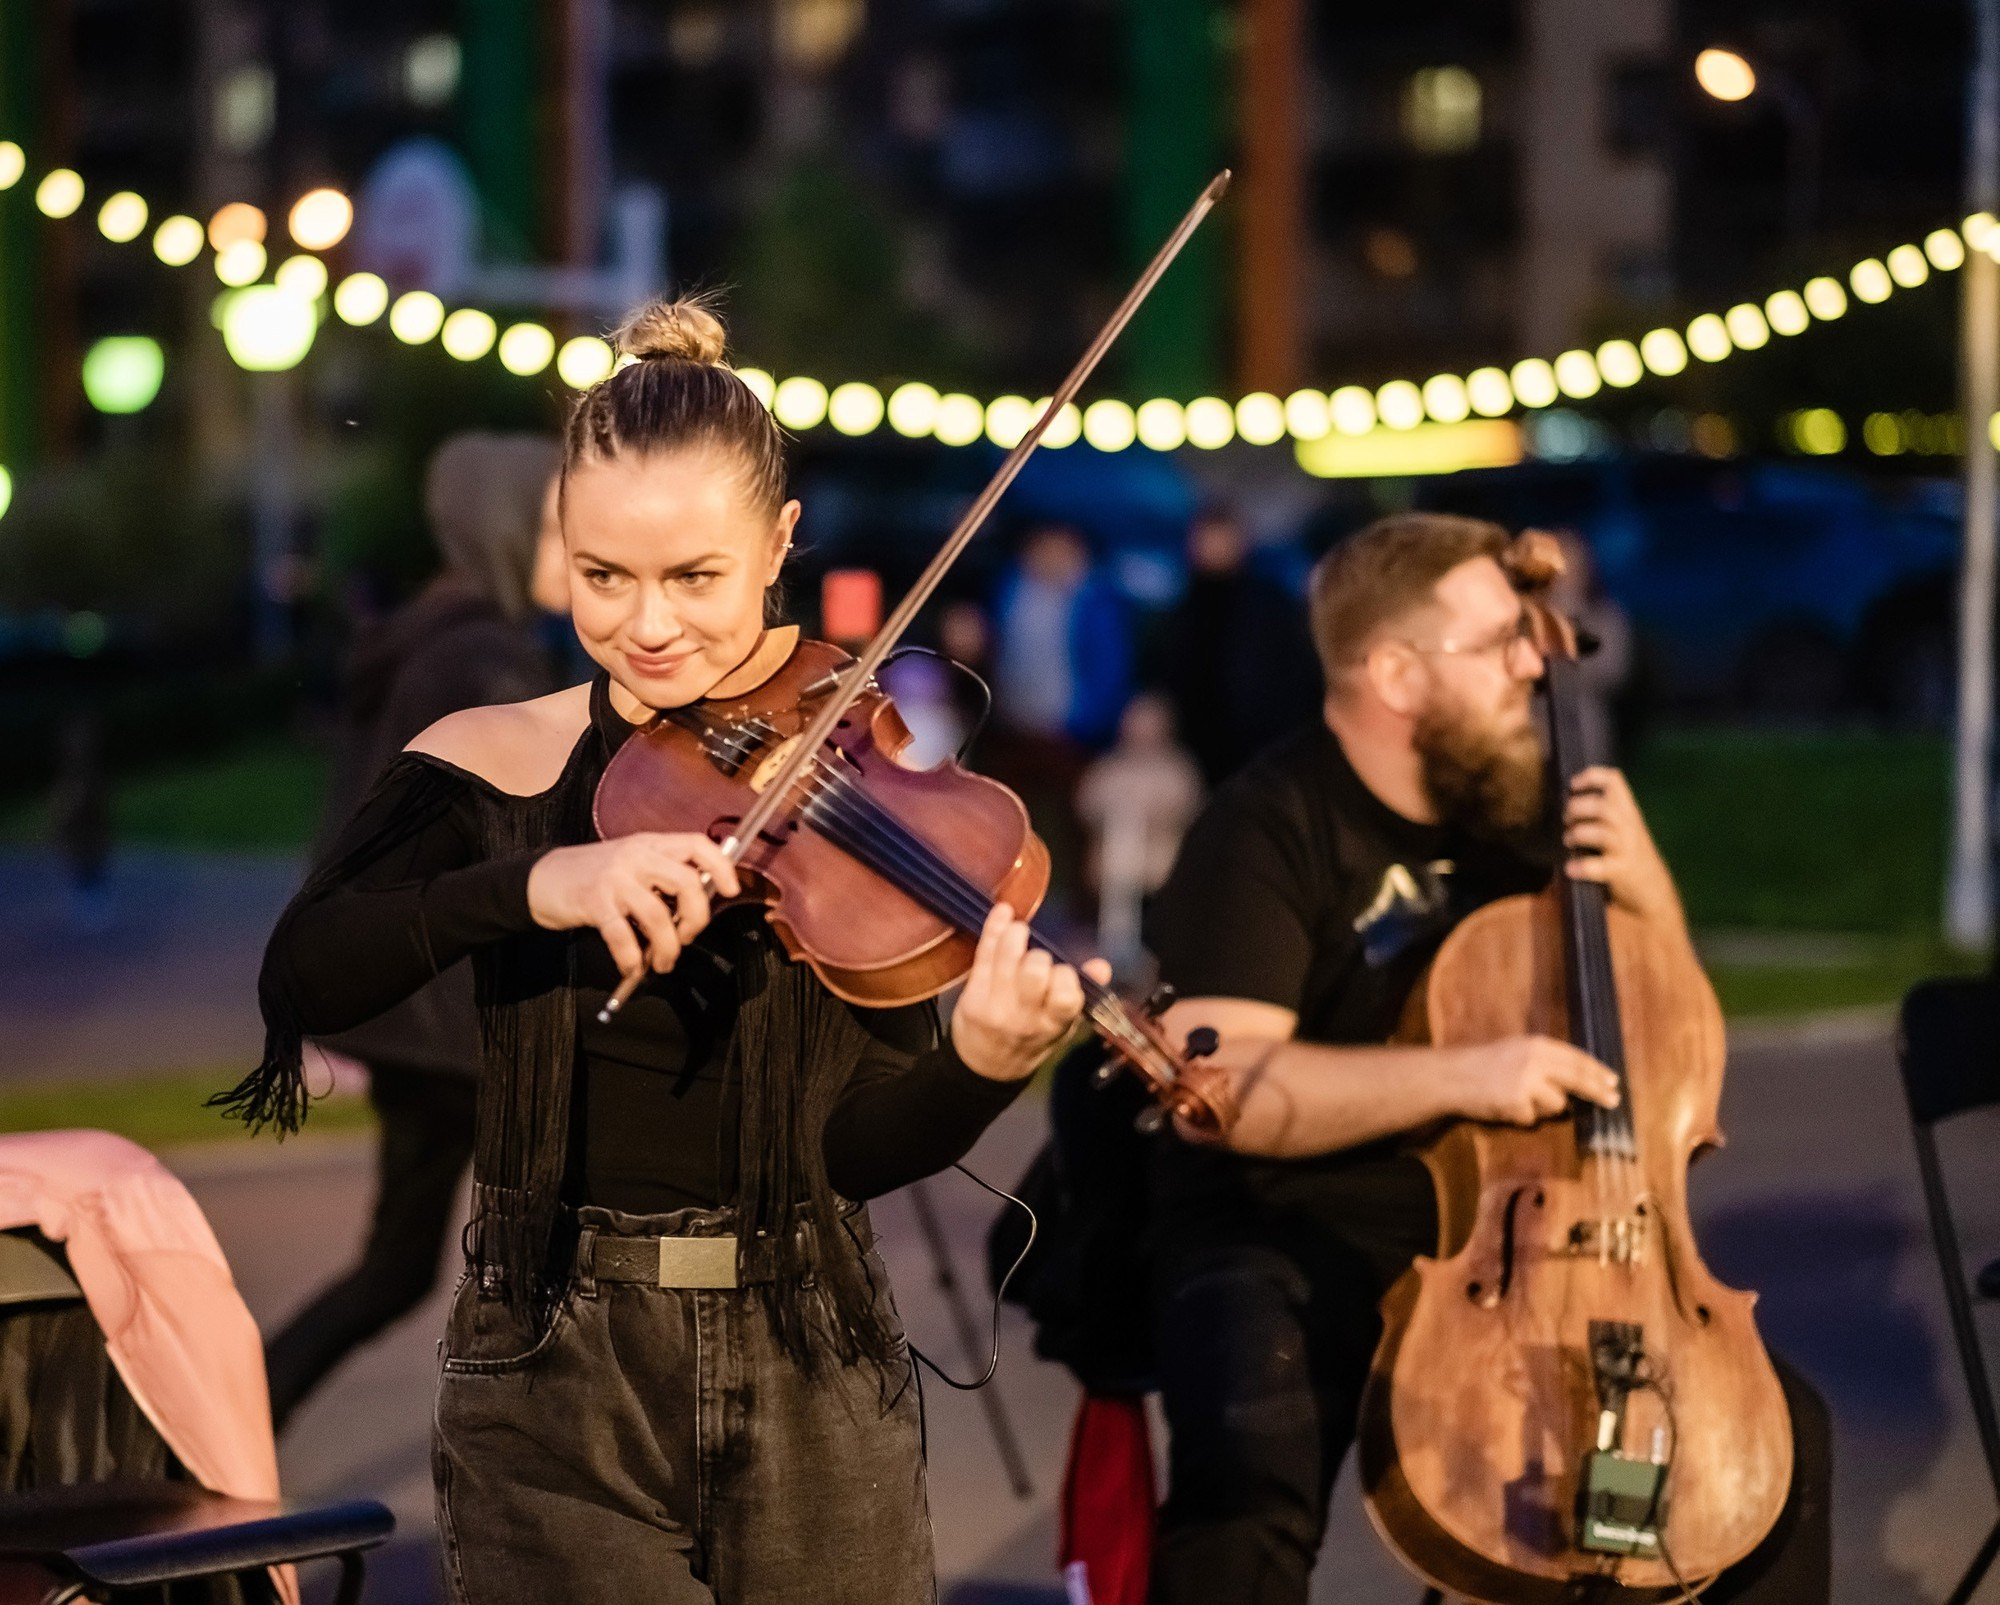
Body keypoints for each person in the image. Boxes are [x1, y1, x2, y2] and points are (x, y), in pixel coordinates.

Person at [224, 296, 1102, 1605]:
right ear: (556, 546)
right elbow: (306, 972)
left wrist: (978, 1066)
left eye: (695, 576)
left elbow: (857, 1151)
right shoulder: (486, 756)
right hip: (548, 1363)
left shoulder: (844, 774)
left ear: (779, 546)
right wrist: (535, 884)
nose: (649, 628)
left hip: (813, 1346)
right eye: (602, 575)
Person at [1142, 512, 1830, 1604]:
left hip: (1530, 1234)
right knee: (1248, 1446)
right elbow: (1218, 1089)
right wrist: (1466, 1074)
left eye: (1530, 639)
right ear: (1395, 673)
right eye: (1501, 642)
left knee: (1775, 1445)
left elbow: (1667, 1065)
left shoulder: (1525, 821)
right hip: (1293, 1223)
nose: (1532, 664)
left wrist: (1648, 900)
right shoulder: (1261, 828)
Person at [261, 432, 566, 1430]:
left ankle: (229, 1427)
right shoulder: (482, 658)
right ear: (509, 532)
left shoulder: (428, 636)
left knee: (398, 1268)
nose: (582, 554)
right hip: (457, 1018)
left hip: (413, 1010)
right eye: (561, 529)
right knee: (550, 1263)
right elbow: (524, 835)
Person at [1153, 506, 1321, 785]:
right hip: (1196, 744)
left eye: (1222, 538)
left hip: (1260, 743)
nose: (1215, 547)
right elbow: (1166, 671)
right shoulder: (1182, 608)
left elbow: (1295, 673)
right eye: (1207, 538)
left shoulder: (1268, 603)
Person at [1074, 693, 1202, 980]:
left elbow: (1188, 805)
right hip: (1116, 865)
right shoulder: (1111, 767)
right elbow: (1087, 803)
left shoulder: (1176, 769)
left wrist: (1154, 811)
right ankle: (1115, 955)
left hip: (1158, 865)